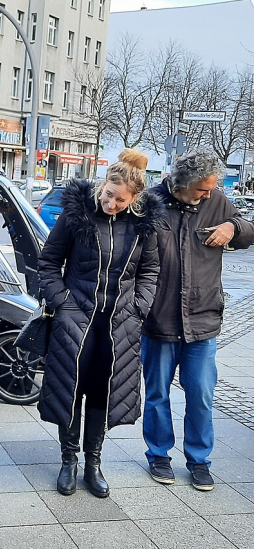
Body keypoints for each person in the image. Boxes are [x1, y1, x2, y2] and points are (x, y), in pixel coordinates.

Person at [37, 149, 162, 498]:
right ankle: (69, 461)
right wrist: (62, 303)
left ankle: (93, 463)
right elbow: (48, 263)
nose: (112, 203)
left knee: (102, 393)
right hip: (76, 320)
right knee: (70, 390)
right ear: (103, 184)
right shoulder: (78, 214)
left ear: (134, 198)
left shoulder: (142, 224)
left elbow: (151, 271)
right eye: (109, 195)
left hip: (119, 324)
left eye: (121, 200)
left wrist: (139, 307)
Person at [142, 149, 254, 491]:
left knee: (202, 394)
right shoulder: (150, 202)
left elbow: (249, 230)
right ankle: (159, 455)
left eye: (211, 189)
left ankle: (199, 460)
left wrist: (232, 226)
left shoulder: (217, 200)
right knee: (157, 393)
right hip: (159, 320)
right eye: (202, 190)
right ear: (182, 184)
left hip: (203, 319)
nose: (208, 195)